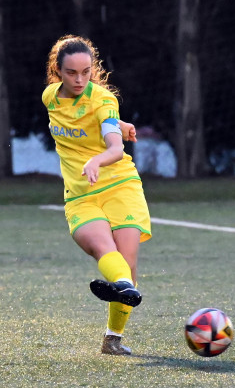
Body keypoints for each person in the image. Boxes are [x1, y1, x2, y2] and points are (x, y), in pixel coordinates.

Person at [42, 35, 152, 354]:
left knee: (127, 263)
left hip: (120, 185)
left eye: (86, 72)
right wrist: (122, 124)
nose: (79, 79)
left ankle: (113, 339)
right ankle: (126, 289)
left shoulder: (104, 99)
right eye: (71, 73)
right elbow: (92, 122)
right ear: (58, 72)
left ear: (93, 70)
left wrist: (97, 158)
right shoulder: (50, 97)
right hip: (81, 195)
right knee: (106, 251)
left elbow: (115, 147)